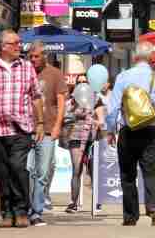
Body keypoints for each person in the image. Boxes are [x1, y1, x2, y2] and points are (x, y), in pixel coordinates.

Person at [0, 31, 44, 228]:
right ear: (3, 47)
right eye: (15, 43)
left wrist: (40, 123)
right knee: (2, 172)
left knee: (17, 167)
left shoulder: (27, 67)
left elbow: (36, 97)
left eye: (19, 43)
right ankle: (7, 213)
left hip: (21, 129)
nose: (19, 46)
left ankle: (21, 210)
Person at [106, 42, 155, 227]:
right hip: (151, 132)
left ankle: (130, 216)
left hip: (128, 131)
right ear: (152, 59)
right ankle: (154, 209)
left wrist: (110, 130)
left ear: (135, 57)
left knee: (127, 174)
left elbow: (113, 109)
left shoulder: (123, 77)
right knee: (152, 173)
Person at [25, 42, 66, 226]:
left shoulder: (55, 74)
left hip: (48, 129)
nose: (33, 60)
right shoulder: (25, 72)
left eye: (36, 56)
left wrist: (57, 125)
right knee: (27, 171)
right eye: (31, 56)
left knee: (42, 173)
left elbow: (61, 101)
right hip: (26, 129)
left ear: (44, 56)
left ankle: (36, 211)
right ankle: (27, 208)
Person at [62, 83, 103, 213]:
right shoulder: (70, 103)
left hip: (91, 138)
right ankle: (73, 202)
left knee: (93, 170)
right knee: (77, 169)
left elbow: (102, 120)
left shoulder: (96, 100)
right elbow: (64, 118)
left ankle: (97, 201)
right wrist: (75, 115)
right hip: (75, 137)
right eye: (79, 82)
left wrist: (95, 121)